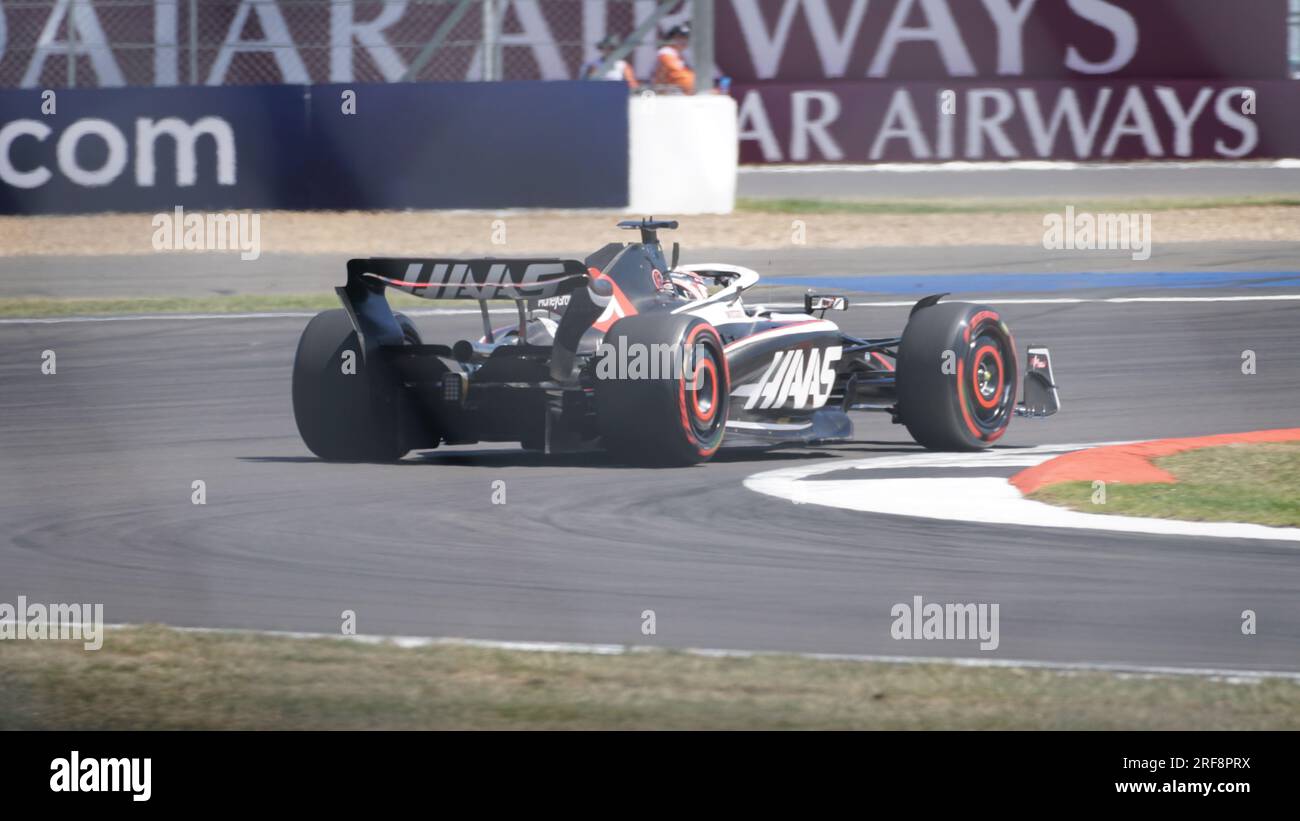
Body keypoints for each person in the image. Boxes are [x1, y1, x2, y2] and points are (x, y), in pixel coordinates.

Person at [652, 24, 694, 94]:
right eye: (679, 37)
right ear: (670, 39)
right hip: (662, 92)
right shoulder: (666, 52)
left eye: (686, 38)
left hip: (674, 90)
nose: (683, 41)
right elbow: (681, 77)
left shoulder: (679, 54)